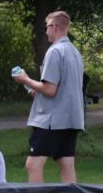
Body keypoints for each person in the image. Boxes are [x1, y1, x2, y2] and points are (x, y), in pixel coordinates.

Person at [12, 10, 85, 183]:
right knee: (66, 164)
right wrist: (34, 91)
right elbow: (62, 87)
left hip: (52, 121)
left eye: (47, 27)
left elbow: (50, 89)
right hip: (72, 118)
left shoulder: (55, 51)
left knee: (33, 165)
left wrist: (25, 79)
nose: (45, 32)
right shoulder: (75, 52)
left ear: (54, 27)